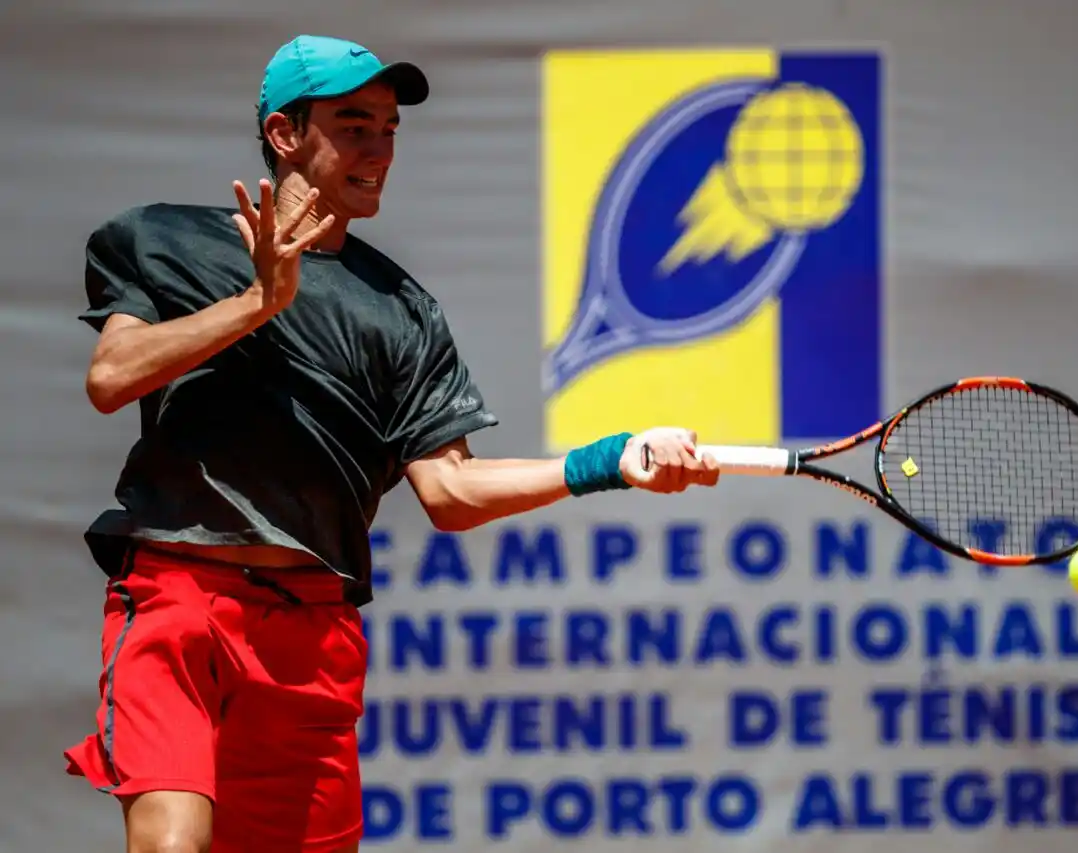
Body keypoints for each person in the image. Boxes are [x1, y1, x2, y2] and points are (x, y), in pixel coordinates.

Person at [63, 34, 720, 853]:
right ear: (284, 134)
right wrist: (256, 305)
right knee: (170, 844)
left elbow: (449, 493)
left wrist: (608, 460)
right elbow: (111, 375)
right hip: (179, 600)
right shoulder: (164, 241)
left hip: (313, 633)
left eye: (389, 128)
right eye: (354, 125)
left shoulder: (404, 311)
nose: (378, 149)